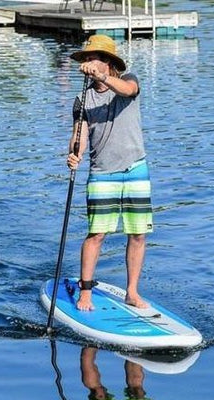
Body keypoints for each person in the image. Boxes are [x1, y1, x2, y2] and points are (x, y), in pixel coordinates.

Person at [67, 35, 153, 312]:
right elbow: (79, 136)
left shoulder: (129, 80)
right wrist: (74, 153)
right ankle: (86, 293)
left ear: (109, 63)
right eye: (88, 58)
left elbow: (127, 91)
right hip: (102, 173)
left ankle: (132, 292)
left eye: (96, 58)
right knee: (97, 234)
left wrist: (103, 77)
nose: (91, 63)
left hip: (136, 169)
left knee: (138, 234)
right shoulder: (82, 99)